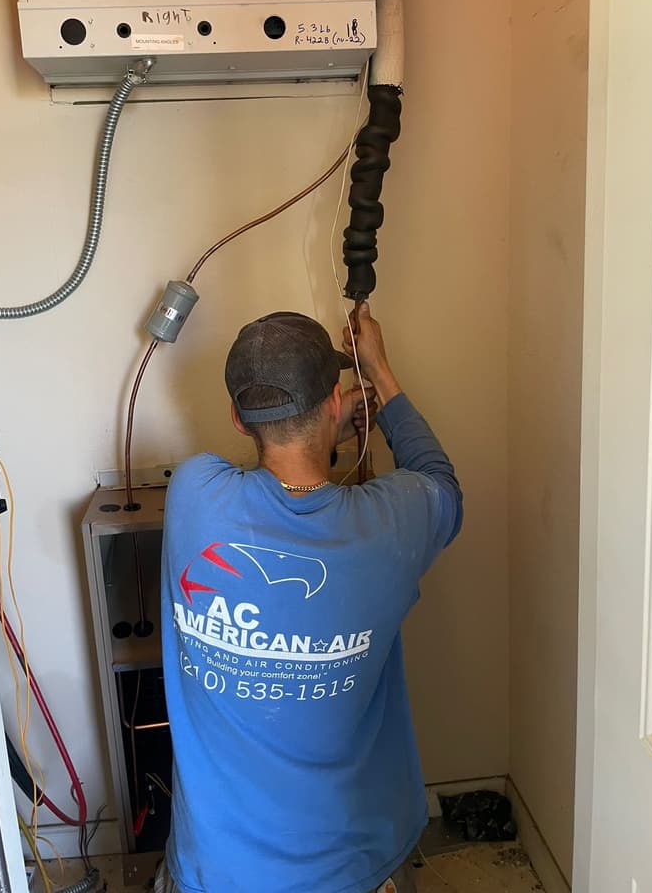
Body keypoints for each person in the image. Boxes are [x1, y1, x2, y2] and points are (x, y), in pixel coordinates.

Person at [156, 304, 463, 893]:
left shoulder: (192, 494)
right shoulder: (388, 524)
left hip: (217, 873)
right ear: (330, 402)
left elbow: (266, 479)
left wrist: (316, 430)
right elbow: (440, 480)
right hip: (356, 870)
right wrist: (380, 372)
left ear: (237, 419)